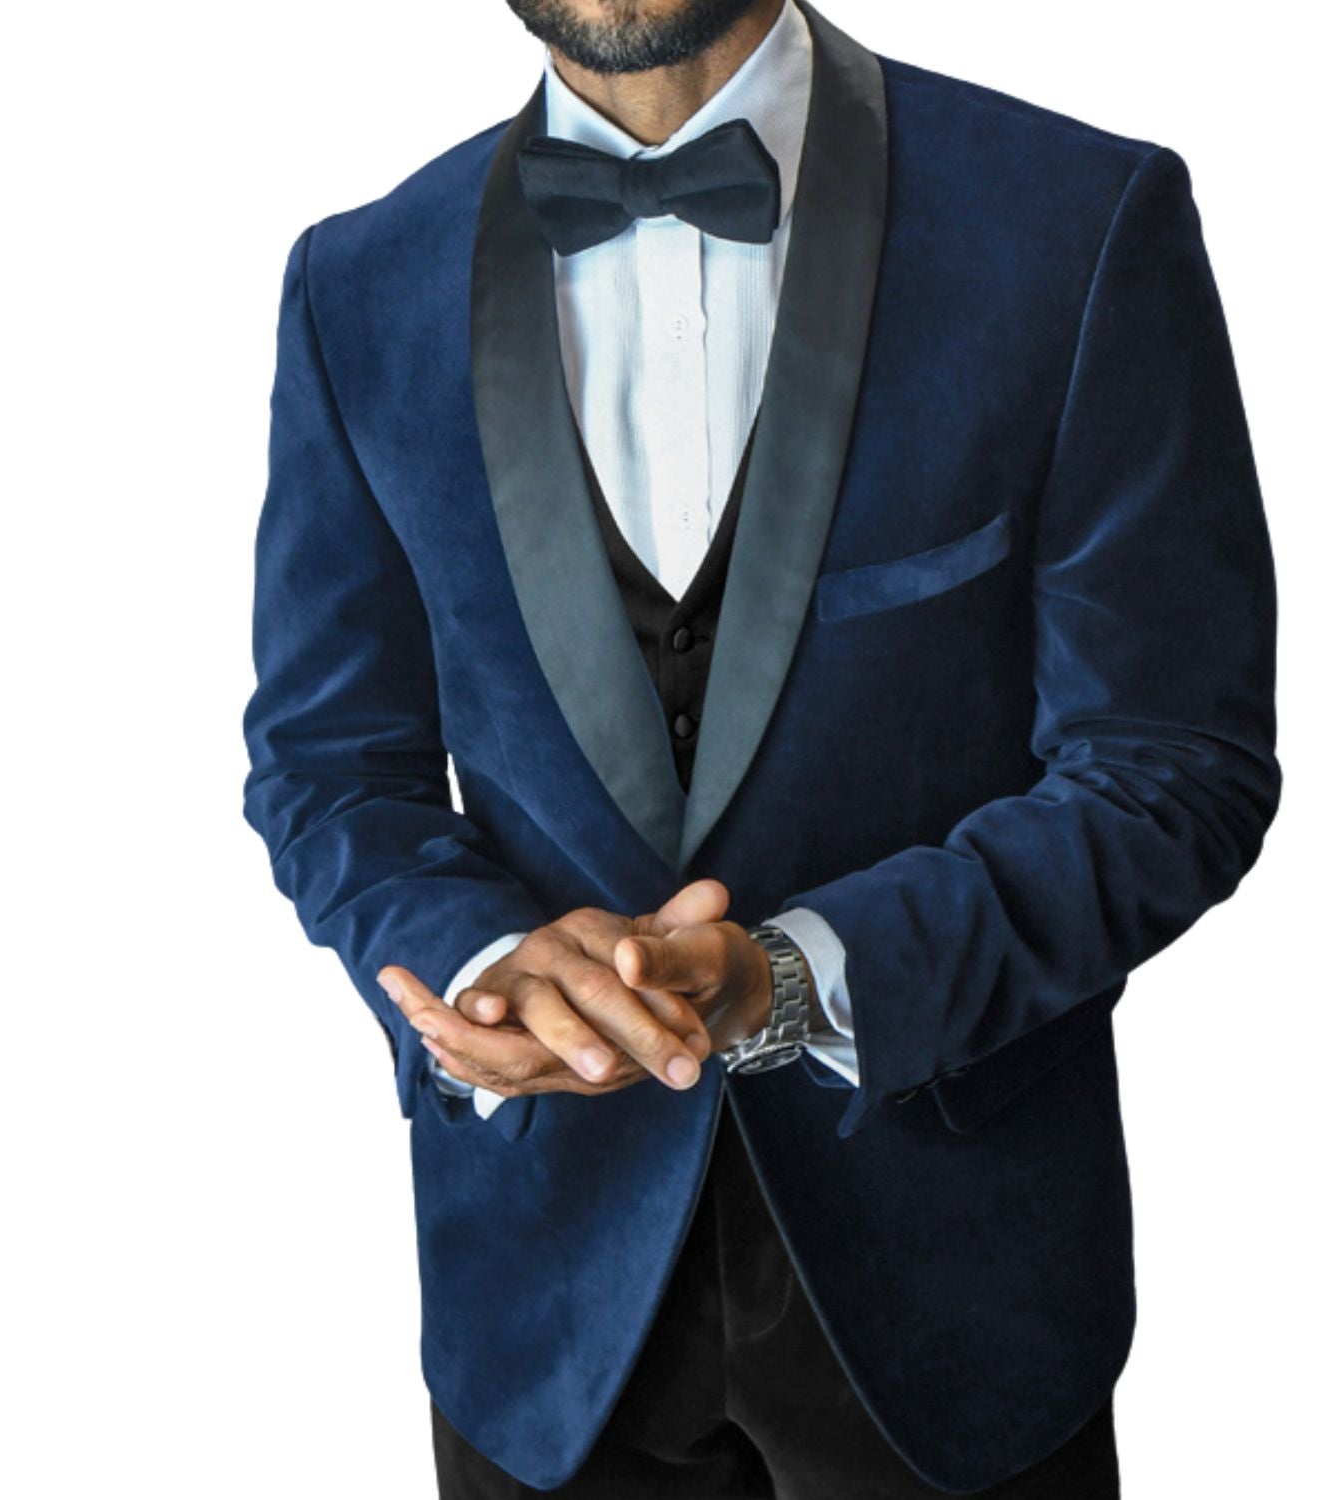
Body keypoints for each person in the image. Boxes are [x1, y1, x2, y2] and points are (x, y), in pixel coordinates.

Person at [241, 0, 1281, 1493]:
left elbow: (1172, 766)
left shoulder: (1080, 222)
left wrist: (795, 977)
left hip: (960, 1300)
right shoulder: (354, 284)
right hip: (536, 1311)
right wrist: (484, 962)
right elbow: (330, 762)